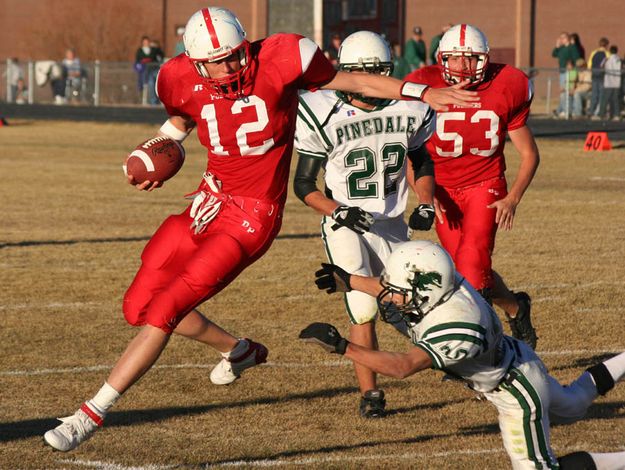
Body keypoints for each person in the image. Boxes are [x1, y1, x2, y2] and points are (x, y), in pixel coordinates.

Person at [42, 6, 478, 452]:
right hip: (207, 201)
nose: (232, 67)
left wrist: (422, 93)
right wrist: (158, 149)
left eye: (236, 55)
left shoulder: (283, 57)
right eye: (220, 61)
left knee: (165, 309)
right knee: (138, 306)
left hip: (251, 217)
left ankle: (90, 413)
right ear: (196, 63)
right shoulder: (175, 76)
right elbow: (181, 120)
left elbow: (356, 82)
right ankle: (240, 350)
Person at [302, 240, 625, 470]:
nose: (390, 297)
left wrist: (344, 346)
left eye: (398, 293)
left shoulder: (458, 326)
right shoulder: (446, 286)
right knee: (576, 402)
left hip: (514, 389)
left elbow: (402, 367)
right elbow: (404, 289)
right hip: (519, 361)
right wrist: (352, 281)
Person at [294, 31, 436, 418]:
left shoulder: (409, 107)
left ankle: (447, 357)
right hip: (346, 223)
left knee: (414, 297)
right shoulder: (320, 109)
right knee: (361, 306)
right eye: (364, 73)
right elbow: (303, 185)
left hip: (390, 221)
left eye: (380, 72)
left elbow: (421, 161)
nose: (374, 83)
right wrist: (337, 210)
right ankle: (370, 393)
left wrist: (426, 202)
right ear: (346, 73)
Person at [405, 24, 540, 349]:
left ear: (484, 59)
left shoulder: (508, 84)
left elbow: (529, 154)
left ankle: (482, 351)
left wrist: (512, 198)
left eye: (471, 59)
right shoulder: (424, 85)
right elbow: (411, 153)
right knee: (465, 272)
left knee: (471, 264)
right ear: (442, 58)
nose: (463, 67)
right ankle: (515, 307)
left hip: (486, 185)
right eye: (455, 59)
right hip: (443, 190)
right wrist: (426, 194)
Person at [552, 32, 581, 117]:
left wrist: (572, 66)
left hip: (569, 72)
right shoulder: (561, 48)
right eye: (560, 38)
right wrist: (557, 46)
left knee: (567, 91)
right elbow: (554, 54)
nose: (561, 39)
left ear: (568, 38)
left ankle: (567, 110)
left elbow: (577, 58)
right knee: (562, 92)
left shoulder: (572, 47)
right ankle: (562, 110)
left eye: (563, 38)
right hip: (562, 72)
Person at [587, 38, 610, 118]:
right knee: (601, 95)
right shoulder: (607, 54)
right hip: (602, 76)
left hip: (594, 75)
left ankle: (591, 111)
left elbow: (589, 65)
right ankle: (599, 112)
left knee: (594, 94)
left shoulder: (594, 52)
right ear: (606, 45)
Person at [598, 45, 621, 121]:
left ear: (610, 51)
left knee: (605, 99)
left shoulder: (606, 59)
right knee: (616, 99)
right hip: (617, 82)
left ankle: (601, 114)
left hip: (608, 82)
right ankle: (616, 115)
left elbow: (601, 66)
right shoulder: (619, 60)